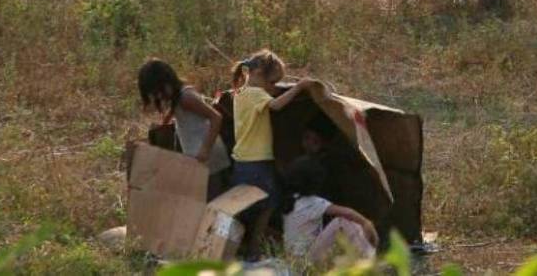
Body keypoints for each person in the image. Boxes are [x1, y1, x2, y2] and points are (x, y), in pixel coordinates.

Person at [229, 51, 317, 259]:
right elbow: (277, 105)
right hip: (256, 161)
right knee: (268, 204)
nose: (272, 88)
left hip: (242, 160)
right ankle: (253, 249)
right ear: (258, 72)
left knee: (247, 206)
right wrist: (300, 87)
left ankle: (239, 246)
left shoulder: (240, 93)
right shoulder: (257, 94)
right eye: (272, 83)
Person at [138, 58, 230, 193]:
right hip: (197, 157)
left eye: (158, 92)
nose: (158, 96)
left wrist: (204, 150)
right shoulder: (177, 98)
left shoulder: (185, 97)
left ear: (166, 82)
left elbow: (216, 118)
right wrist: (163, 124)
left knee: (213, 204)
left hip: (208, 158)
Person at [282, 156, 378, 266]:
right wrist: (367, 223)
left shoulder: (292, 200)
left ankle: (362, 260)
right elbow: (348, 212)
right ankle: (371, 262)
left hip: (293, 260)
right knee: (342, 222)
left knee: (347, 228)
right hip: (304, 261)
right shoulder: (312, 202)